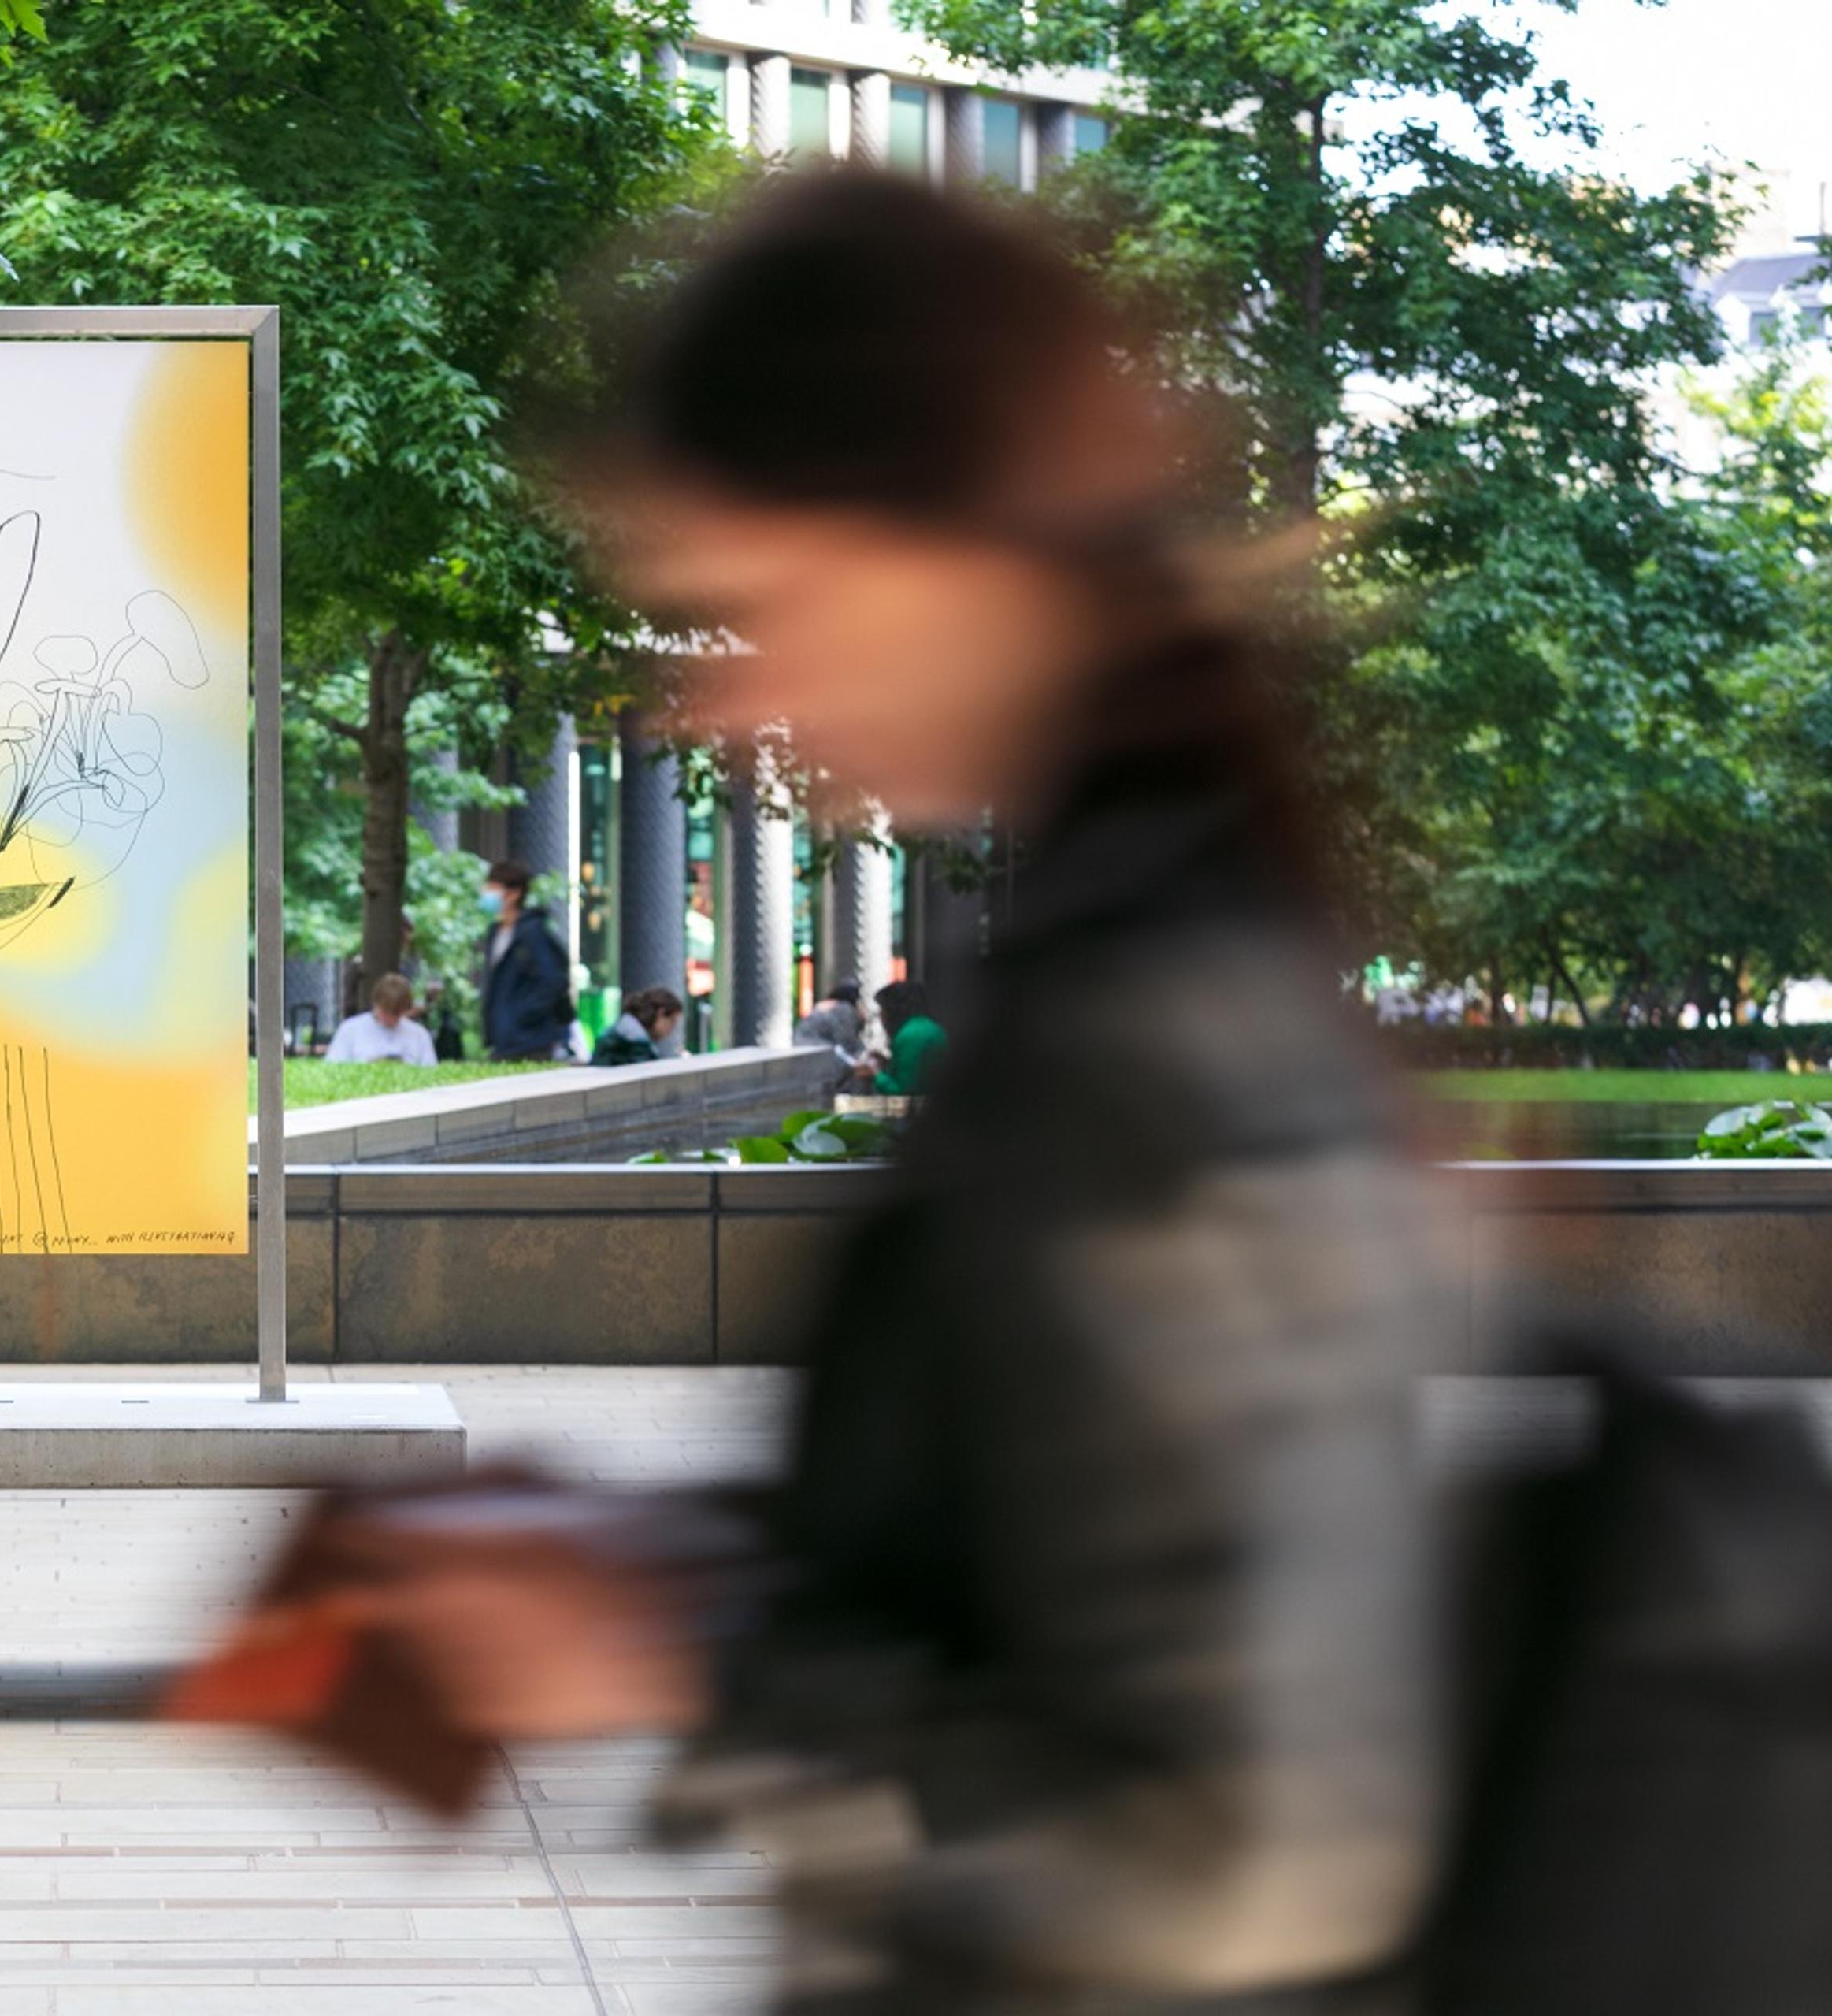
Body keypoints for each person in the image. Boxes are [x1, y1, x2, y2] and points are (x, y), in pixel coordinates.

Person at [324, 173, 1468, 2014]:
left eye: (754, 601)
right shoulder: (1140, 961)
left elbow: (1242, 1827)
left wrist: (683, 1642)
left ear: (955, 539)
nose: (718, 696)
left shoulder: (1143, 1040)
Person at [476, 860, 575, 1061]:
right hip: (505, 1040)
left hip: (533, 1041)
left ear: (514, 894)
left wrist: (520, 1015)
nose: (486, 892)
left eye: (493, 888)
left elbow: (552, 981)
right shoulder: (495, 932)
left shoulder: (533, 933)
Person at [322, 972, 439, 1066]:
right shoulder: (350, 1029)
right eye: (386, 1012)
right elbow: (333, 1067)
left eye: (397, 1014)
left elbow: (430, 1072)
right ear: (375, 1003)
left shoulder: (419, 1034)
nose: (391, 1019)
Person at [866, 978, 942, 1095]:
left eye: (882, 1009)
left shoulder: (908, 1036)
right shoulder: (930, 1027)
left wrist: (875, 1074)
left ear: (892, 1009)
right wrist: (887, 1063)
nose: (881, 1016)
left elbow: (903, 1092)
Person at [592, 986, 683, 1067]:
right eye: (672, 1021)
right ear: (661, 1013)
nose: (673, 1028)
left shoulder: (621, 1033)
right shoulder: (636, 1045)